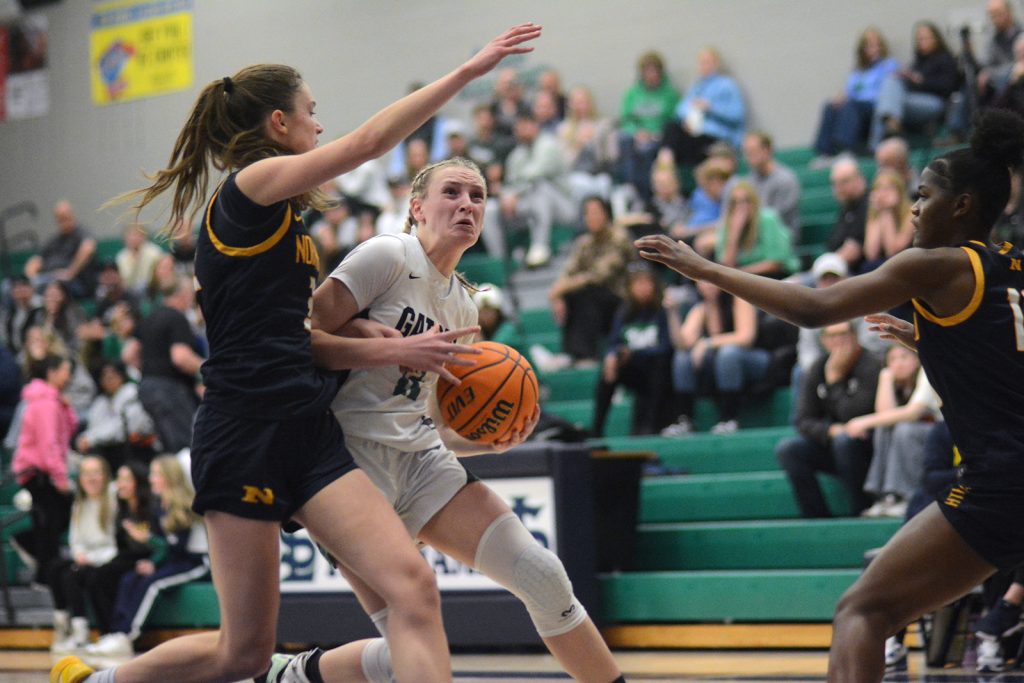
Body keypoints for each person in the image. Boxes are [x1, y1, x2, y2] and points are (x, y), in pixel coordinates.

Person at [51, 22, 542, 683]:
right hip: (243, 429)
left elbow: (288, 339)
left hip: (307, 427)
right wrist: (466, 71)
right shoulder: (252, 187)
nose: (320, 122)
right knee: (243, 652)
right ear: (279, 122)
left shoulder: (285, 215)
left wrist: (362, 340)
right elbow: (369, 144)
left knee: (414, 589)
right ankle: (97, 681)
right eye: (311, 111)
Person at [636, 109, 1024, 681]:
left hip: (1000, 482)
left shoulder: (933, 265)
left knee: (861, 612)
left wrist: (704, 268)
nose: (914, 208)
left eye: (923, 195)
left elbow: (815, 309)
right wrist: (928, 340)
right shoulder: (1010, 265)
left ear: (961, 205)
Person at [291, 156, 625, 683]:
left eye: (477, 196)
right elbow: (295, 343)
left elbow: (424, 415)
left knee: (542, 575)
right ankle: (295, 674)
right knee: (408, 650)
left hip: (422, 460)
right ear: (417, 207)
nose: (467, 204)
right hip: (346, 470)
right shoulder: (387, 256)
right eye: (453, 192)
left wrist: (486, 439)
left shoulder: (464, 309)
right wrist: (379, 346)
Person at [85, 455, 209, 657]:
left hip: (196, 562)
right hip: (175, 560)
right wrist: (151, 561)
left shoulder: (185, 506)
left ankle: (127, 635)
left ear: (169, 477)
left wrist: (148, 540)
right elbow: (163, 547)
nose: (151, 479)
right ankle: (114, 632)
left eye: (156, 474)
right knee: (130, 578)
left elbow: (178, 547)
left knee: (152, 584)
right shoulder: (159, 506)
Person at [852, 344, 941, 518]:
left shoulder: (928, 373)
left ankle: (908, 496)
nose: (898, 364)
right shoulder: (895, 382)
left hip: (944, 435)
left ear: (917, 359)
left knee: (904, 430)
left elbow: (912, 413)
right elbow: (885, 415)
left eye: (904, 357)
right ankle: (886, 497)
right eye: (892, 360)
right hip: (919, 434)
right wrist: (885, 380)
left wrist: (863, 421)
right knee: (884, 429)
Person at [10, 354, 77, 583]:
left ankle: (41, 568)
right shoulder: (45, 404)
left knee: (50, 523)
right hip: (39, 473)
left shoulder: (52, 401)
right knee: (49, 523)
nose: (69, 376)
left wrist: (66, 408)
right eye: (66, 370)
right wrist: (60, 477)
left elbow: (68, 431)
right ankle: (45, 575)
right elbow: (49, 444)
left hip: (41, 471)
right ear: (52, 372)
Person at [548, 196, 634, 366]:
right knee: (572, 295)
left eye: (596, 212)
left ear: (607, 214)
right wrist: (557, 295)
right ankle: (569, 354)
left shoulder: (619, 238)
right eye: (587, 213)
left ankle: (585, 355)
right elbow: (569, 271)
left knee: (587, 293)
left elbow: (599, 275)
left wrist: (561, 289)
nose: (591, 217)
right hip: (595, 301)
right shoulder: (584, 243)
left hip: (621, 300)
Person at [592, 264, 673, 437]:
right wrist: (612, 356)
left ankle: (649, 426)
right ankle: (597, 428)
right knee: (608, 368)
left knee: (657, 367)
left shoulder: (661, 312)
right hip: (633, 370)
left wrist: (634, 354)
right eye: (638, 283)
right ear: (630, 288)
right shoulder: (624, 313)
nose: (643, 288)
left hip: (657, 370)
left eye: (647, 283)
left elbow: (666, 348)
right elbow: (614, 342)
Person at [47, 455, 117, 654]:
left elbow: (114, 542)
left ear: (105, 476)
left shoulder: (112, 498)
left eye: (96, 473)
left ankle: (82, 633)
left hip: (106, 557)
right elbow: (75, 539)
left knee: (73, 575)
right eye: (86, 473)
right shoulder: (79, 503)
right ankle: (64, 625)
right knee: (54, 568)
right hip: (86, 556)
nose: (91, 478)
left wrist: (91, 559)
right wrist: (79, 554)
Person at [134, 274, 204, 454]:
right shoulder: (177, 318)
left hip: (147, 387)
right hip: (169, 390)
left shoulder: (149, 317)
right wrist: (207, 368)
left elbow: (130, 353)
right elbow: (180, 357)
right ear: (182, 294)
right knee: (184, 446)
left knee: (166, 447)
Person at [812, 27, 900, 159]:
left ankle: (845, 149)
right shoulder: (858, 71)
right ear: (862, 49)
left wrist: (853, 98)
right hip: (856, 106)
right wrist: (840, 98)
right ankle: (825, 153)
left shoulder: (889, 65)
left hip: (875, 107)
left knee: (851, 105)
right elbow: (850, 91)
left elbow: (888, 92)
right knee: (830, 105)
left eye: (877, 45)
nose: (874, 49)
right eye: (869, 46)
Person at [869, 22, 959, 150]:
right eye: (920, 39)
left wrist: (922, 81)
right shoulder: (917, 62)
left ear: (936, 38)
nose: (923, 41)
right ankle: (892, 125)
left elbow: (948, 86)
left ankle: (876, 147)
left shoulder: (945, 58)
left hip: (936, 103)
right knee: (890, 83)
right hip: (914, 100)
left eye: (926, 37)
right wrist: (907, 77)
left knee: (885, 101)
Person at [660, 47, 746, 168]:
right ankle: (664, 166)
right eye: (702, 63)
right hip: (693, 135)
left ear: (717, 64)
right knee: (670, 127)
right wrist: (686, 118)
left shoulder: (727, 85)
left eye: (708, 62)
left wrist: (710, 108)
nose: (704, 66)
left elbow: (736, 115)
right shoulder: (697, 87)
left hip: (715, 139)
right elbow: (680, 110)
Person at [617, 50, 680, 201]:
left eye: (654, 71)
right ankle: (630, 187)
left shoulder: (670, 95)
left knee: (647, 150)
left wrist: (653, 134)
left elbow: (674, 122)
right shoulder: (632, 94)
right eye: (647, 71)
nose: (651, 75)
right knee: (624, 140)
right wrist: (637, 132)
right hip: (636, 135)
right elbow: (626, 119)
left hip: (658, 137)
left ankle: (646, 195)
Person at [75, 361, 157, 471]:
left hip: (138, 448)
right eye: (104, 377)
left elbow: (121, 427)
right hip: (112, 450)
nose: (108, 380)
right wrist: (86, 438)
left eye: (113, 376)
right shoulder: (101, 401)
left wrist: (92, 438)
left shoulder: (131, 393)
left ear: (122, 376)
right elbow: (94, 426)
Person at [23, 200, 97, 299]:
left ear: (72, 215)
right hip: (49, 278)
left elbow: (88, 248)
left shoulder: (81, 234)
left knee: (52, 288)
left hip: (74, 282)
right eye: (60, 218)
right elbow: (35, 262)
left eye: (66, 217)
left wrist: (70, 272)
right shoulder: (54, 240)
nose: (64, 221)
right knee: (11, 286)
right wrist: (33, 278)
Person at [860, 169, 914, 272]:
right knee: (868, 267)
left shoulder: (911, 211)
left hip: (907, 261)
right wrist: (882, 213)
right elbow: (871, 254)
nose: (882, 194)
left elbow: (893, 251)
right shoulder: (874, 213)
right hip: (884, 263)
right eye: (878, 189)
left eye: (888, 188)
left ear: (900, 191)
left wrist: (888, 212)